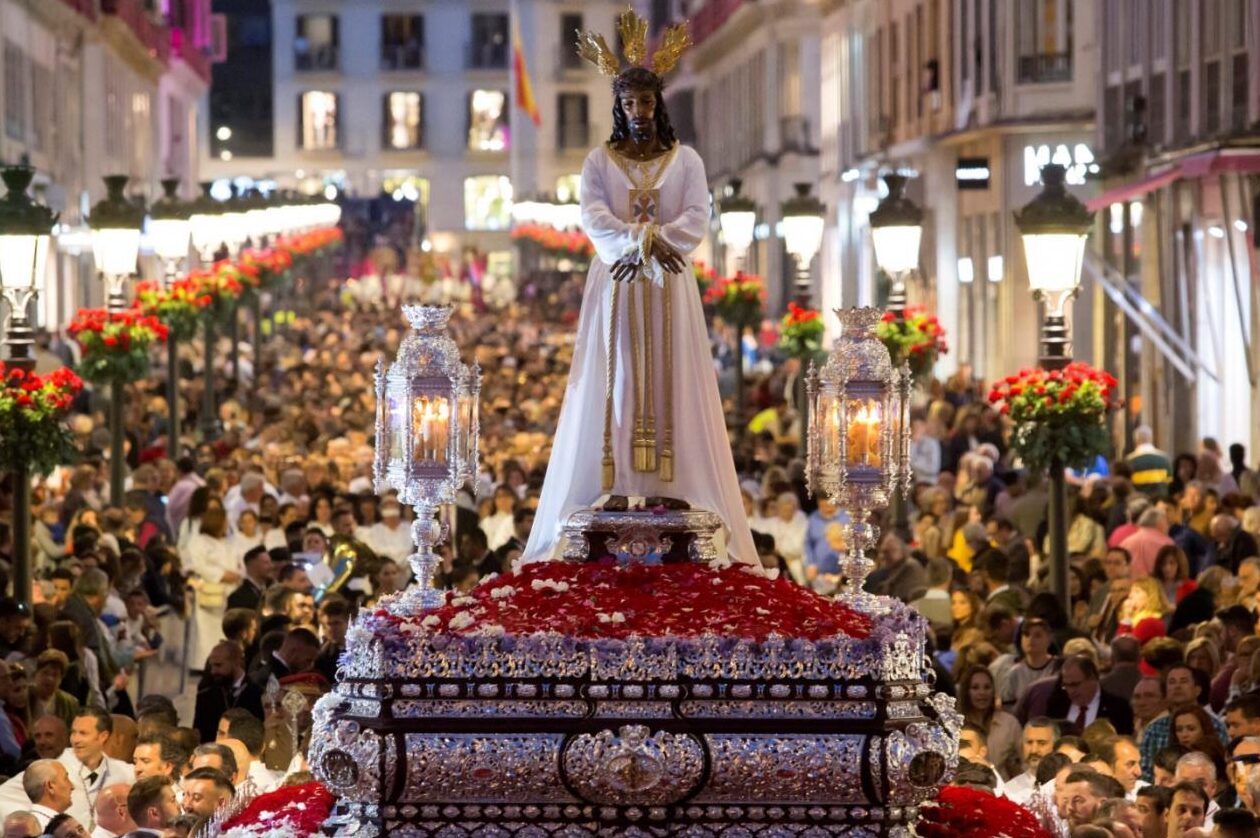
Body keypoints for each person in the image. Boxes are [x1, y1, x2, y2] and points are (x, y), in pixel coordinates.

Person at [521, 54, 757, 568]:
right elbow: (593, 214)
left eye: (645, 101)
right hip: (620, 280)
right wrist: (640, 243)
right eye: (628, 102)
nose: (637, 111)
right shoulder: (599, 161)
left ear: (658, 104)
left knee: (673, 377)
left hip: (668, 283)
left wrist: (656, 245)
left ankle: (670, 483)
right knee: (619, 375)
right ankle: (620, 482)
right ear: (618, 106)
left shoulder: (686, 160)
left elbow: (697, 212)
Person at [187, 507, 240, 672]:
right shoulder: (199, 541)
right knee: (205, 631)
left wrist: (236, 574)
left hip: (228, 592)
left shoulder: (228, 542)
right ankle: (202, 663)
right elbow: (199, 565)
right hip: (209, 591)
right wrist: (221, 575)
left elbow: (238, 562)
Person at [957, 665, 1022, 780]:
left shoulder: (1009, 723)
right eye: (975, 688)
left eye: (987, 687)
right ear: (966, 692)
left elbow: (1022, 762)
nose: (982, 692)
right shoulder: (955, 725)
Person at [193, 642, 263, 745]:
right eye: (212, 666)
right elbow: (199, 735)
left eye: (218, 665)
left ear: (235, 662)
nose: (213, 671)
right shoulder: (205, 696)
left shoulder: (258, 694)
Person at [1127, 426, 1173, 498]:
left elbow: (1127, 486)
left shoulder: (1129, 461)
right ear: (1151, 439)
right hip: (1160, 504)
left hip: (1138, 503)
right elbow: (1169, 483)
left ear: (1136, 440)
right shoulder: (1164, 459)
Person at [226, 547, 273, 612]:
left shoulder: (272, 590)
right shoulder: (238, 597)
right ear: (253, 565)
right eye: (266, 563)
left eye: (270, 562)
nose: (271, 566)